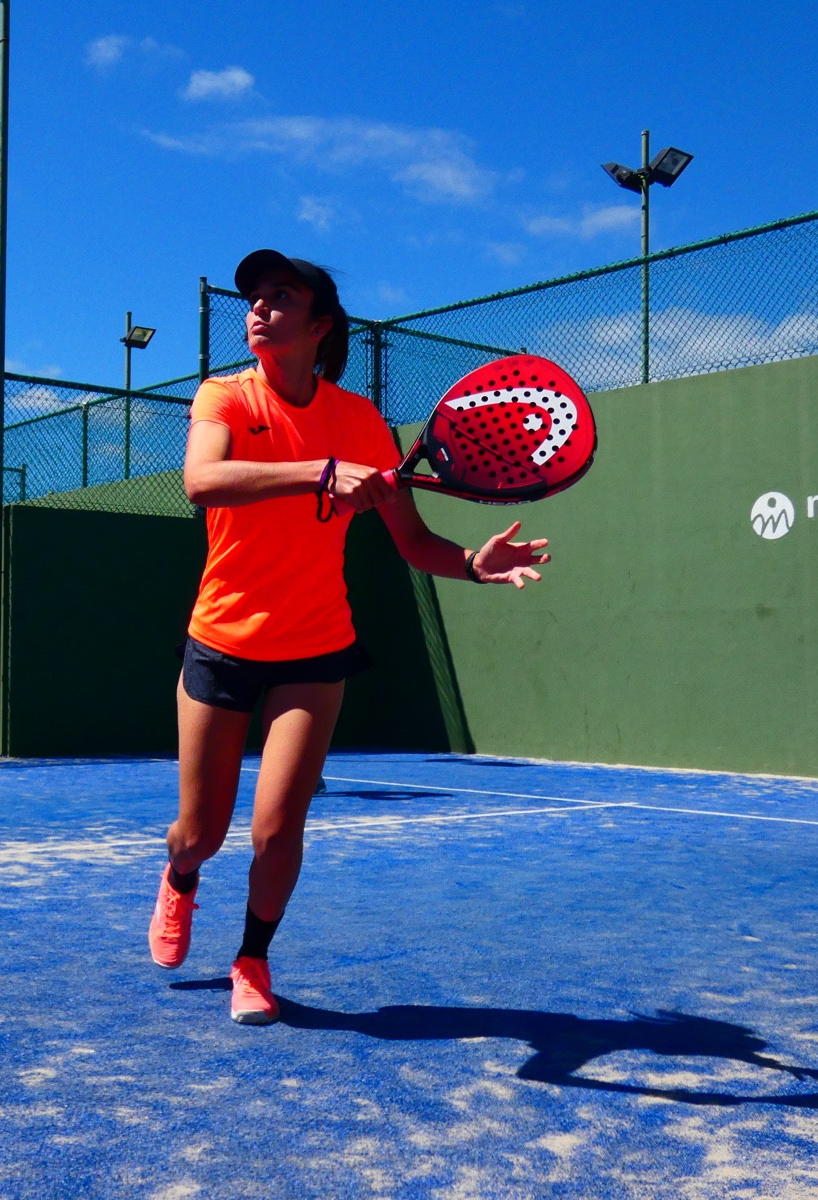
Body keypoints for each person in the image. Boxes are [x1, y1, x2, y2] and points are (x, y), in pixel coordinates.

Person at [149, 250, 551, 1025]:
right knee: (199, 834)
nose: (258, 308)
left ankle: (252, 961)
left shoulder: (362, 422)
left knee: (277, 831)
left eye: (280, 296)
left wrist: (474, 564)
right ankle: (181, 879)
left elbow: (414, 542)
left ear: (320, 325)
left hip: (314, 647)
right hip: (221, 640)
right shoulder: (223, 395)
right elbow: (202, 481)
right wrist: (319, 472)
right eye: (253, 297)